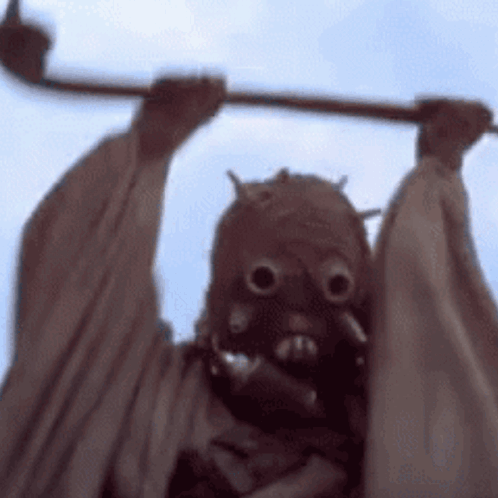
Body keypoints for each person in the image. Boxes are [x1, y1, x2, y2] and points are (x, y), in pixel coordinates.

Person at [0, 76, 496, 498]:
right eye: (266, 280)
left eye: (331, 287)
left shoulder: (384, 425)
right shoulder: (153, 392)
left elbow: (433, 338)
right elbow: (85, 295)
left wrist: (438, 173)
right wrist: (149, 144)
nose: (297, 316)